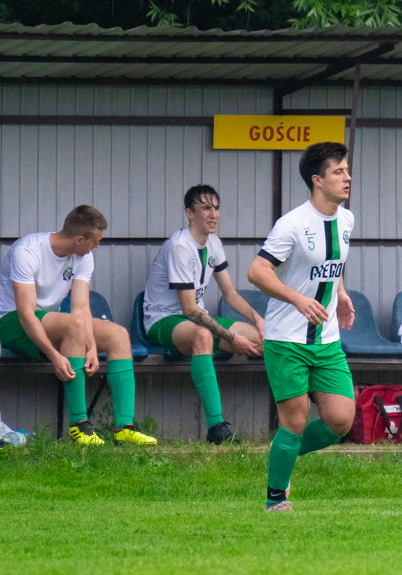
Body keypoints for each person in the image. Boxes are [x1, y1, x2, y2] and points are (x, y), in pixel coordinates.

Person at [248, 142, 356, 513]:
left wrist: (340, 293)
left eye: (347, 170)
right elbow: (257, 271)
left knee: (341, 420)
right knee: (294, 420)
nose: (348, 177)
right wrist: (297, 298)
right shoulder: (291, 224)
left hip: (326, 341)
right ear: (317, 180)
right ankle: (275, 498)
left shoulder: (346, 220)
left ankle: (285, 454)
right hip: (286, 339)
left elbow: (334, 263)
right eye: (339, 171)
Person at [0, 205, 157, 445]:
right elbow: (25, 314)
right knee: (73, 325)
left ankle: (124, 427)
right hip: (10, 322)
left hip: (48, 321)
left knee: (118, 335)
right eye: (95, 241)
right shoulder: (27, 251)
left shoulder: (84, 256)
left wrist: (91, 347)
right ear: (79, 239)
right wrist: (54, 356)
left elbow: (81, 308)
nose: (97, 246)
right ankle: (79, 426)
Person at [143, 185, 265, 445]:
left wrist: (258, 318)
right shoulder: (179, 246)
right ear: (189, 213)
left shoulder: (214, 242)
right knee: (202, 336)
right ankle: (217, 428)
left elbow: (230, 294)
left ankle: (297, 422)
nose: (213, 214)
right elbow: (188, 309)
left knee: (265, 339)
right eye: (205, 208)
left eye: (217, 208)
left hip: (197, 317)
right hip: (163, 320)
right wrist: (232, 338)